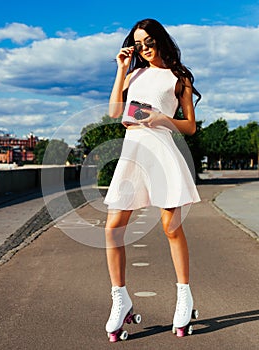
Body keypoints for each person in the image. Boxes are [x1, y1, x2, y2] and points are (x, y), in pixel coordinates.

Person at [103, 18, 201, 341]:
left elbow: (190, 126)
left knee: (171, 227)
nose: (143, 48)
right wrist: (120, 69)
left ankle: (184, 296)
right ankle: (120, 298)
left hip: (162, 151)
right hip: (134, 153)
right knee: (113, 228)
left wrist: (162, 119)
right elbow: (115, 112)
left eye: (148, 42)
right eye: (138, 43)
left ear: (159, 39)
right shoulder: (134, 73)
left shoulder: (179, 77)